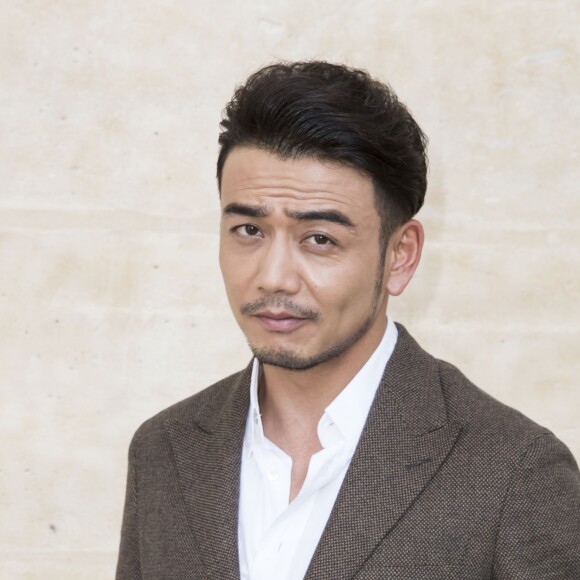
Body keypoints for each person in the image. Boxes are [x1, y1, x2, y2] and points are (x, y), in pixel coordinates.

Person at [116, 61, 580, 580]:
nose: (273, 277)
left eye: (320, 239)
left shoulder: (514, 472)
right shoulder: (163, 450)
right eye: (249, 229)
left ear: (400, 256)